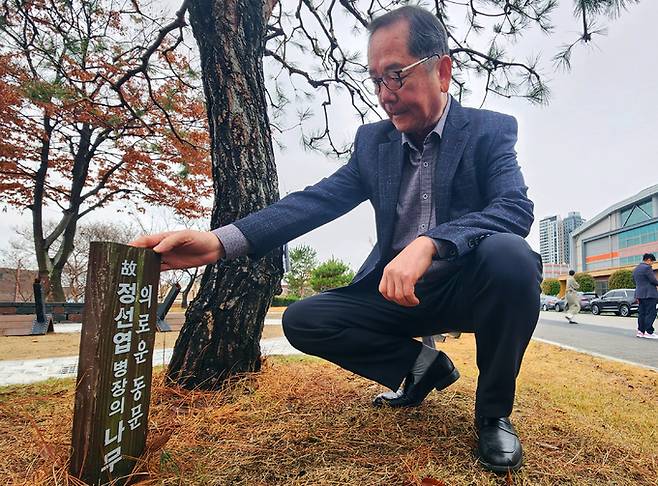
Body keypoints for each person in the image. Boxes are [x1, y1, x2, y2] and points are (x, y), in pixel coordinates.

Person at [131, 6, 542, 473]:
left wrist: (430, 243)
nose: (385, 96)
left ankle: (493, 414)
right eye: (375, 80)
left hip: (470, 286)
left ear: (442, 70)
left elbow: (513, 209)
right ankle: (423, 368)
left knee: (512, 256)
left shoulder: (489, 131)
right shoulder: (374, 144)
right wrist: (218, 242)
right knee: (305, 319)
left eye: (396, 75)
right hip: (396, 293)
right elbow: (315, 201)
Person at [632, 253, 658, 339]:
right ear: (648, 260)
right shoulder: (647, 268)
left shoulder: (636, 269)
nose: (652, 264)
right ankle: (648, 332)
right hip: (649, 294)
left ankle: (640, 331)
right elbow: (653, 280)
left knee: (642, 313)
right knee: (651, 313)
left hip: (639, 294)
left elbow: (634, 281)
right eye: (652, 262)